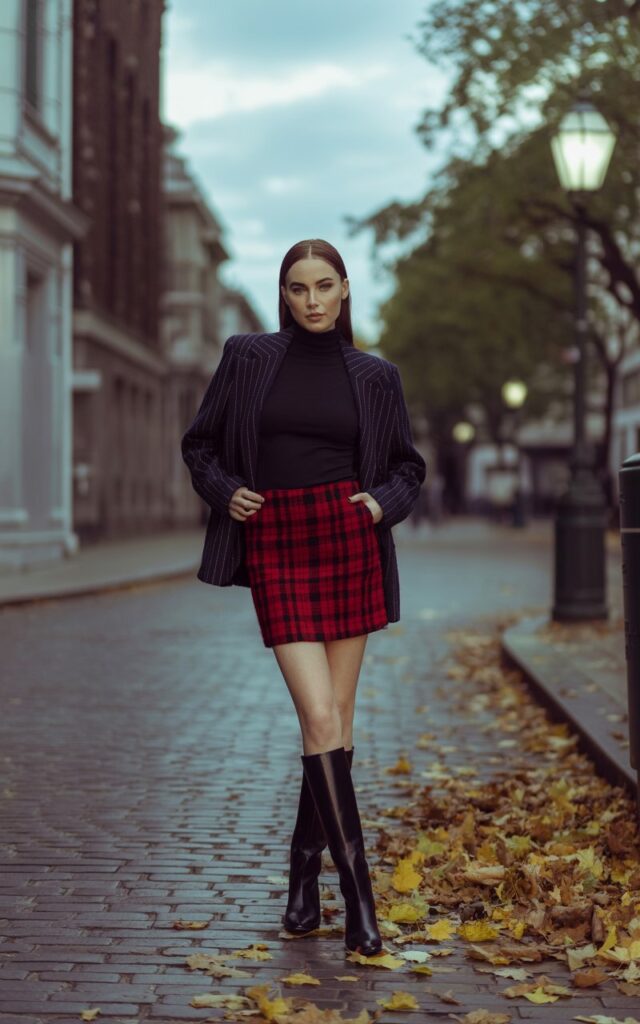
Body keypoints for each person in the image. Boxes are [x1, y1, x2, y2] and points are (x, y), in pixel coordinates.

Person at [181, 238, 426, 958]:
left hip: (348, 537)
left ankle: (302, 877)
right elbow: (200, 445)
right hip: (277, 540)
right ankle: (361, 899)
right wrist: (226, 491)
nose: (312, 300)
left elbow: (408, 466)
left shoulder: (376, 375)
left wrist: (380, 504)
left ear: (345, 289)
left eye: (324, 285)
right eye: (298, 288)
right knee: (318, 715)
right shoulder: (248, 356)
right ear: (284, 295)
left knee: (336, 725)